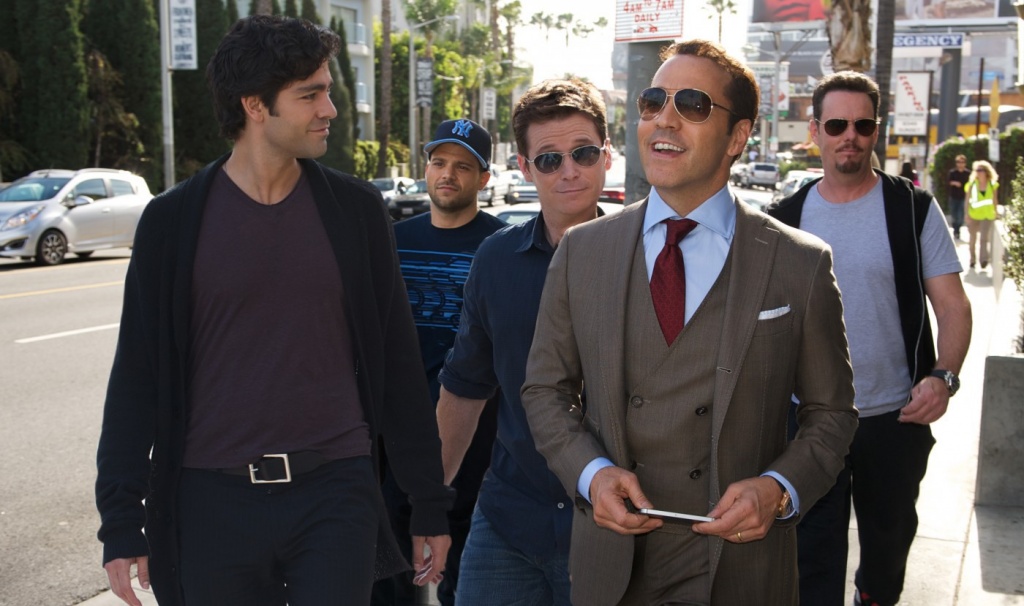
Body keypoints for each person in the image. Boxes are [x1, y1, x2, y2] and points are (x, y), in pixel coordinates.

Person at [95, 15, 452, 606]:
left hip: (335, 491)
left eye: (327, 91)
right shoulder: (172, 222)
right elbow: (136, 375)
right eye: (310, 95)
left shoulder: (356, 211)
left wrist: (428, 503)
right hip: (210, 499)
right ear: (255, 106)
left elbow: (397, 363)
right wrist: (120, 519)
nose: (329, 109)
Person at [520, 40, 858, 606]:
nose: (664, 119)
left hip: (739, 570)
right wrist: (591, 473)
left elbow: (832, 415)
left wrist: (777, 490)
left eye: (693, 105)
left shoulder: (799, 263)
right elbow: (544, 390)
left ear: (737, 136)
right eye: (653, 102)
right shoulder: (583, 251)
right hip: (612, 570)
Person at [768, 70, 972, 606]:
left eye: (862, 125)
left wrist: (944, 377)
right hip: (809, 420)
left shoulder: (912, 209)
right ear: (815, 131)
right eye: (837, 124)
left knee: (886, 555)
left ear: (876, 131)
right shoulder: (784, 219)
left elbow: (952, 305)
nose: (850, 136)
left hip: (895, 419)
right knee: (810, 561)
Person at [435, 78, 612, 606]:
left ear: (607, 154)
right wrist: (429, 502)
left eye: (583, 153)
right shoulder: (495, 260)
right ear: (525, 167)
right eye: (549, 159)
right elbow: (464, 388)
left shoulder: (648, 258)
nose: (569, 171)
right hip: (508, 518)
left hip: (613, 524)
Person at [372, 118, 506, 606]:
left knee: (465, 574)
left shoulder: (503, 247)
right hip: (399, 435)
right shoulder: (391, 240)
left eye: (463, 166)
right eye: (439, 162)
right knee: (391, 569)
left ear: (484, 178)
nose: (448, 174)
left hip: (477, 437)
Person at [964, 159, 999, 270]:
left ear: (986, 172)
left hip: (987, 215)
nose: (978, 172)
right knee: (972, 239)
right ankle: (972, 260)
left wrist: (996, 212)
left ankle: (983, 260)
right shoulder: (971, 185)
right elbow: (967, 200)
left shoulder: (992, 184)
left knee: (984, 238)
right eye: (977, 170)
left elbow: (995, 199)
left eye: (981, 170)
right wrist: (966, 214)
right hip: (973, 215)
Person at [947, 154, 970, 240]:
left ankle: (958, 229)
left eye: (962, 162)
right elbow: (948, 182)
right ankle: (955, 230)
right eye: (958, 162)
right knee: (954, 214)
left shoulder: (968, 173)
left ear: (965, 163)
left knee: (960, 215)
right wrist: (954, 183)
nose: (960, 164)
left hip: (963, 197)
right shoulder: (952, 173)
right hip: (953, 197)